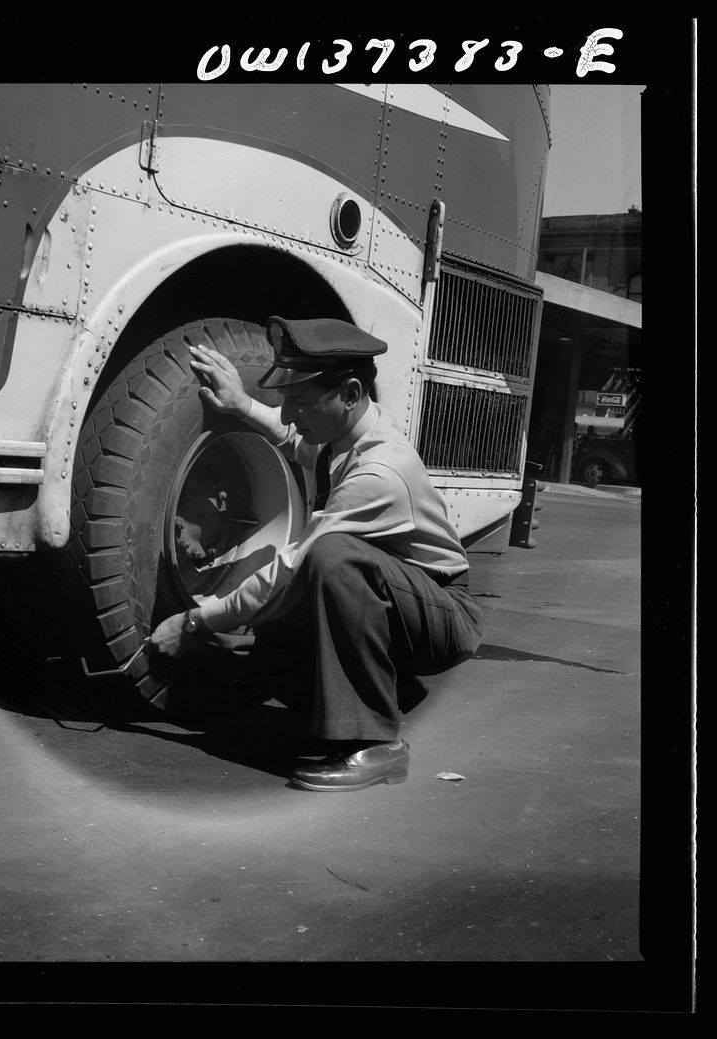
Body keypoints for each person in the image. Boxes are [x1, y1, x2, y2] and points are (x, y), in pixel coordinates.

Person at [149, 316, 483, 792]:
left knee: (329, 559)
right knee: (268, 634)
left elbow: (291, 569)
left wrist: (196, 621)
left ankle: (374, 746)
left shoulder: (381, 473)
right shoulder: (351, 433)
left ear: (349, 393)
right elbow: (303, 448)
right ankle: (384, 689)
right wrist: (244, 406)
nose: (287, 414)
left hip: (442, 614)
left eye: (300, 401)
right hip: (401, 598)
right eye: (285, 399)